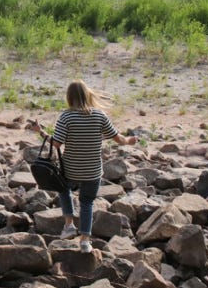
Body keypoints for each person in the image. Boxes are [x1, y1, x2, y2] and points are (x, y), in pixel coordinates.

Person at [39, 80, 136, 254]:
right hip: (92, 171)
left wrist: (41, 133)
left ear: (69, 97)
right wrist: (130, 140)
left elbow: (57, 144)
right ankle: (85, 241)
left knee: (64, 189)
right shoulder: (99, 116)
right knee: (87, 203)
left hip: (71, 169)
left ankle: (69, 224)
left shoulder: (66, 117)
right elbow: (119, 139)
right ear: (87, 94)